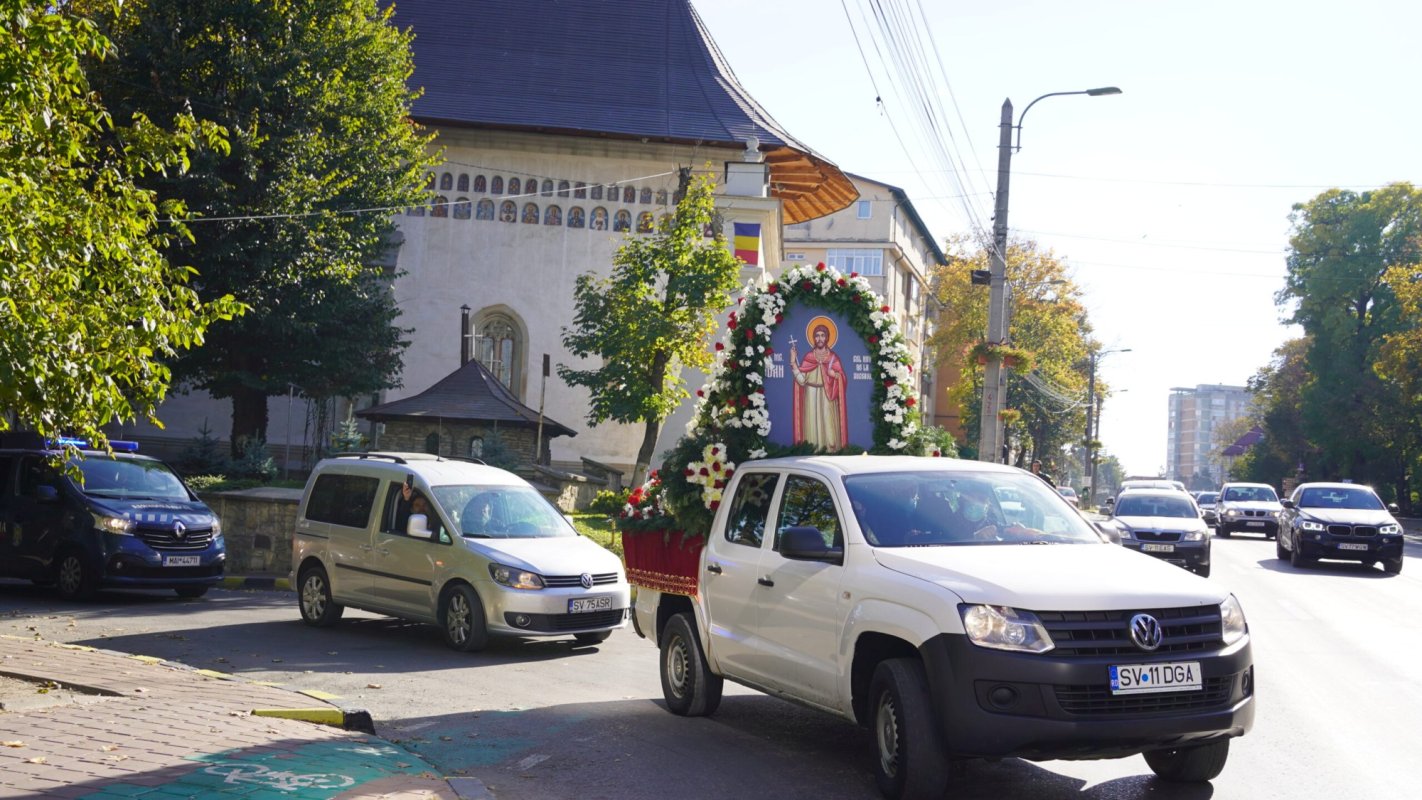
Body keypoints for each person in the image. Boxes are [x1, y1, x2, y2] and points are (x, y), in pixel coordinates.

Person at [789, 321, 849, 450]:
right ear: (814, 338)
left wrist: (835, 375)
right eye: (817, 335)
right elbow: (801, 380)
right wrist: (793, 362)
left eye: (822, 335)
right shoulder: (809, 357)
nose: (820, 338)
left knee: (829, 429)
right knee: (812, 427)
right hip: (811, 397)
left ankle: (832, 450)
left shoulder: (833, 358)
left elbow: (842, 379)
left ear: (827, 337)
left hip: (828, 397)